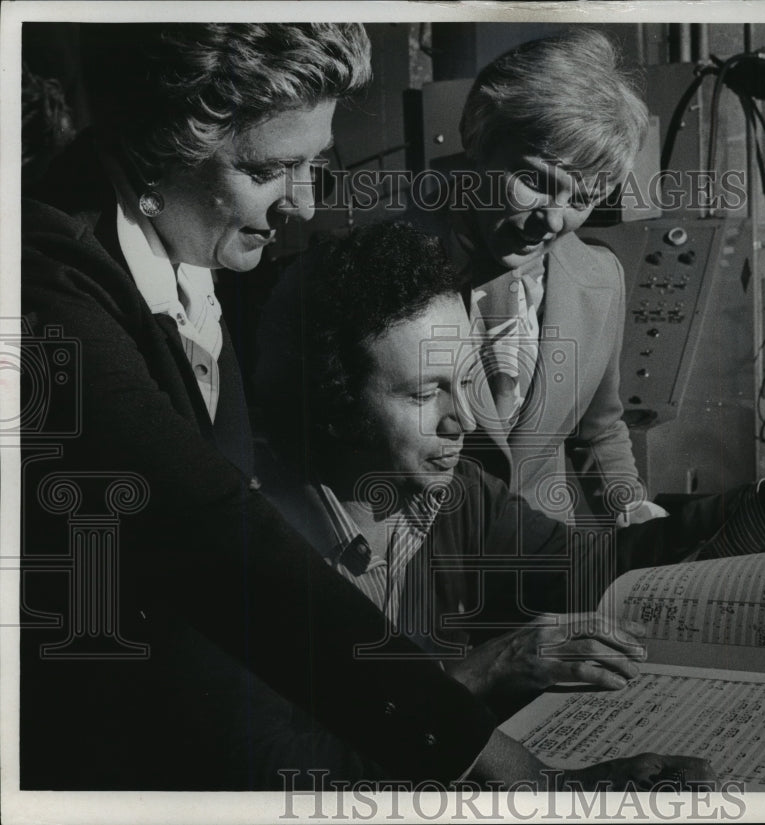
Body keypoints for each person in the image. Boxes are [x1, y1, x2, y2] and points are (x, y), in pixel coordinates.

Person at [20, 22, 675, 792]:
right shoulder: (49, 288)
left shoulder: (192, 253)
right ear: (166, 142)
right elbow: (224, 543)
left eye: (315, 165)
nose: (301, 202)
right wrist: (507, 767)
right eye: (271, 169)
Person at [254, 221, 765, 725]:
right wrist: (480, 674)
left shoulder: (459, 498)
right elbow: (294, 759)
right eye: (426, 394)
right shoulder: (258, 540)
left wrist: (760, 507)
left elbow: (595, 568)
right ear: (335, 403)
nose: (464, 420)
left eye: (465, 380)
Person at [413, 29, 660, 524]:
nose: (553, 220)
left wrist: (630, 508)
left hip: (544, 565)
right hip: (411, 568)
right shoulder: (381, 263)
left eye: (583, 198)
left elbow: (600, 430)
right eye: (534, 182)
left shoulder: (601, 279)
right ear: (477, 145)